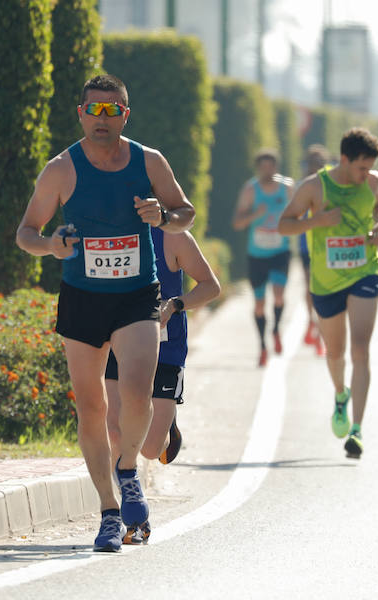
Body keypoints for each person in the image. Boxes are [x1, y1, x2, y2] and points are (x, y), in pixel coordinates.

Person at [15, 74, 195, 552]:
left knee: (136, 394)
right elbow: (26, 232)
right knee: (91, 406)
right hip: (83, 298)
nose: (102, 118)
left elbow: (186, 212)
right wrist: (51, 246)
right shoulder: (61, 169)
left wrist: (164, 217)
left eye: (112, 110)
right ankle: (108, 511)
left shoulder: (148, 161)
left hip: (138, 295)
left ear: (125, 115)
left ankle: (129, 469)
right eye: (94, 110)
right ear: (81, 114)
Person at [104, 226, 220, 543]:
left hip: (166, 348)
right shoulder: (109, 230)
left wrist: (175, 305)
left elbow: (211, 287)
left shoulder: (173, 236)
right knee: (115, 430)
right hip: (120, 341)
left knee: (152, 448)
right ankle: (133, 512)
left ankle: (168, 422)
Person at [278, 128, 378, 459]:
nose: (365, 174)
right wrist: (319, 220)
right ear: (344, 159)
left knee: (360, 348)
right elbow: (285, 225)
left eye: (370, 168)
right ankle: (340, 394)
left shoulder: (372, 182)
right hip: (326, 281)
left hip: (364, 270)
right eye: (361, 168)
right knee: (336, 352)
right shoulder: (313, 187)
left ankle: (356, 430)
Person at [232, 150, 293, 367]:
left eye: (271, 167)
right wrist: (255, 215)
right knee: (259, 304)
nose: (267, 171)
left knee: (278, 295)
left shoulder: (287, 188)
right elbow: (237, 223)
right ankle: (262, 345)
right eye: (263, 167)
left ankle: (276, 329)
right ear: (258, 168)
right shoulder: (250, 190)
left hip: (280, 251)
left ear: (276, 167)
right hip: (257, 255)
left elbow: (299, 213)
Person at [298, 145, 329, 356]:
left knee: (325, 288)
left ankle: (321, 329)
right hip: (305, 244)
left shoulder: (332, 185)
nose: (316, 167)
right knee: (310, 285)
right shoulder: (301, 187)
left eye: (320, 163)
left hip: (328, 245)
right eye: (313, 163)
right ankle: (311, 321)